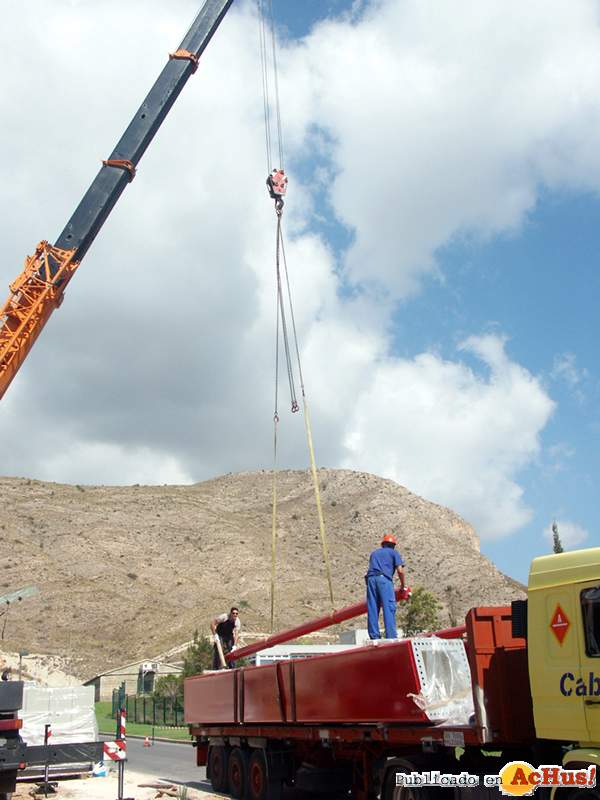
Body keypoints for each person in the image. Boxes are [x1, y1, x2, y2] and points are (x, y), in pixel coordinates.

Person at [365, 533, 406, 640]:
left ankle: (374, 636)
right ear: (393, 545)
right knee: (389, 607)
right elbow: (400, 571)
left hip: (370, 580)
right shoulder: (394, 553)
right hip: (384, 580)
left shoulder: (374, 554)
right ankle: (391, 636)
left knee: (373, 607)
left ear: (383, 544)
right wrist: (403, 586)